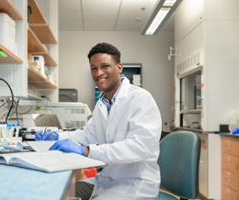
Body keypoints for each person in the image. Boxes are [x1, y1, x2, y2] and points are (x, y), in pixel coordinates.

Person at [35, 42, 162, 200]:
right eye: (93, 68)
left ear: (119, 68)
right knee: (59, 190)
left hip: (134, 183)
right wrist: (57, 137)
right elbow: (89, 135)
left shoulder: (140, 99)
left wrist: (87, 151)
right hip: (106, 178)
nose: (98, 73)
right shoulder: (102, 103)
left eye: (105, 66)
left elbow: (140, 147)